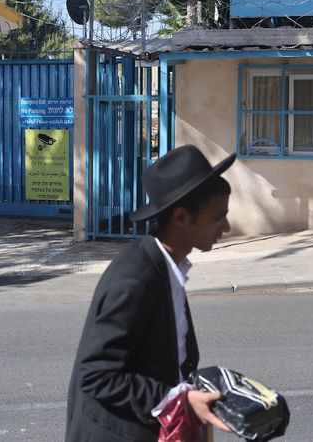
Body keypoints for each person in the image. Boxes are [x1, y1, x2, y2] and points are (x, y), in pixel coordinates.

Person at [66, 145, 236, 441]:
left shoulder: (167, 266)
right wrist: (176, 399)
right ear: (182, 217)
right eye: (217, 217)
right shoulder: (135, 280)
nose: (227, 226)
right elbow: (96, 375)